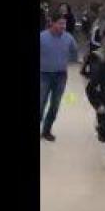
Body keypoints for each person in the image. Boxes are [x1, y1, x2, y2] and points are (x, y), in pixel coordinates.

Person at [39, 12, 79, 142]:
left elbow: (74, 51)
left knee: (55, 105)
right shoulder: (42, 37)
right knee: (41, 103)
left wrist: (68, 60)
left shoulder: (68, 38)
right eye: (60, 23)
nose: (63, 26)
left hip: (61, 75)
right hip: (43, 75)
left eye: (65, 23)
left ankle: (46, 131)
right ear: (52, 22)